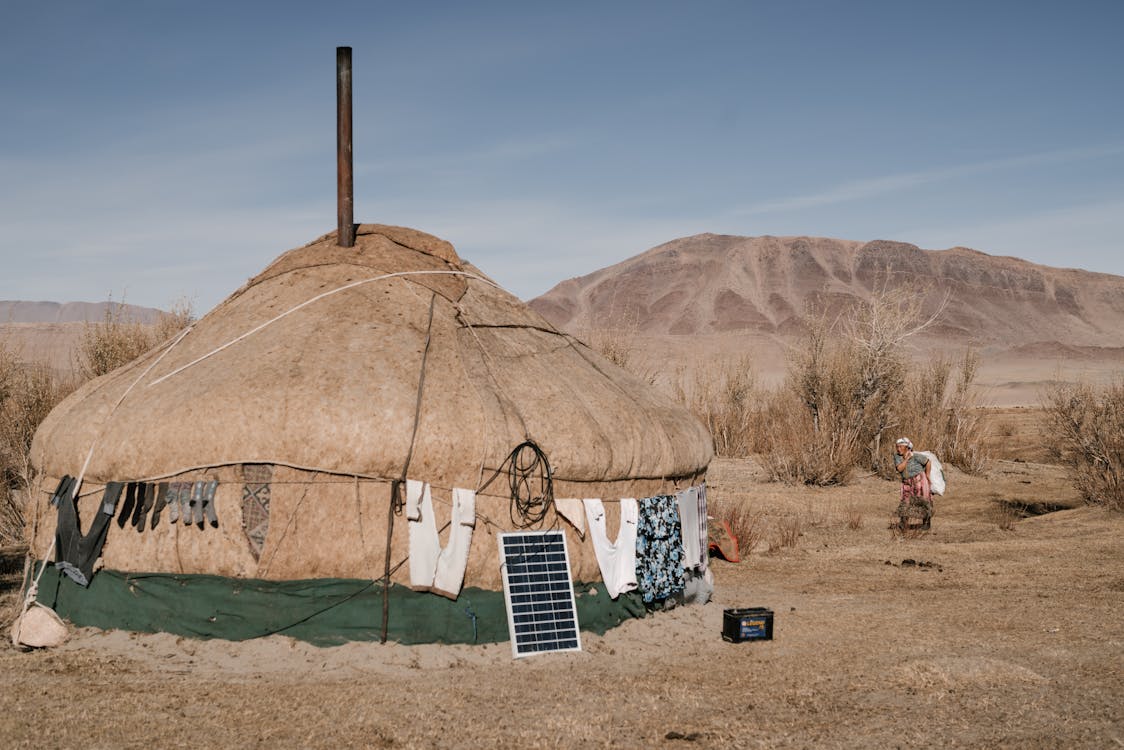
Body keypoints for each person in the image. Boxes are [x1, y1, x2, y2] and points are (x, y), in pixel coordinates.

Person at [893, 437, 932, 531]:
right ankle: (903, 524)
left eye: (900, 447)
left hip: (919, 480)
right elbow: (899, 469)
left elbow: (927, 462)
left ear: (907, 447)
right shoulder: (897, 456)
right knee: (905, 501)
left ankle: (926, 524)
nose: (898, 449)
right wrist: (906, 459)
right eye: (897, 447)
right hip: (906, 482)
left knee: (923, 501)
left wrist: (927, 475)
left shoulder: (916, 456)